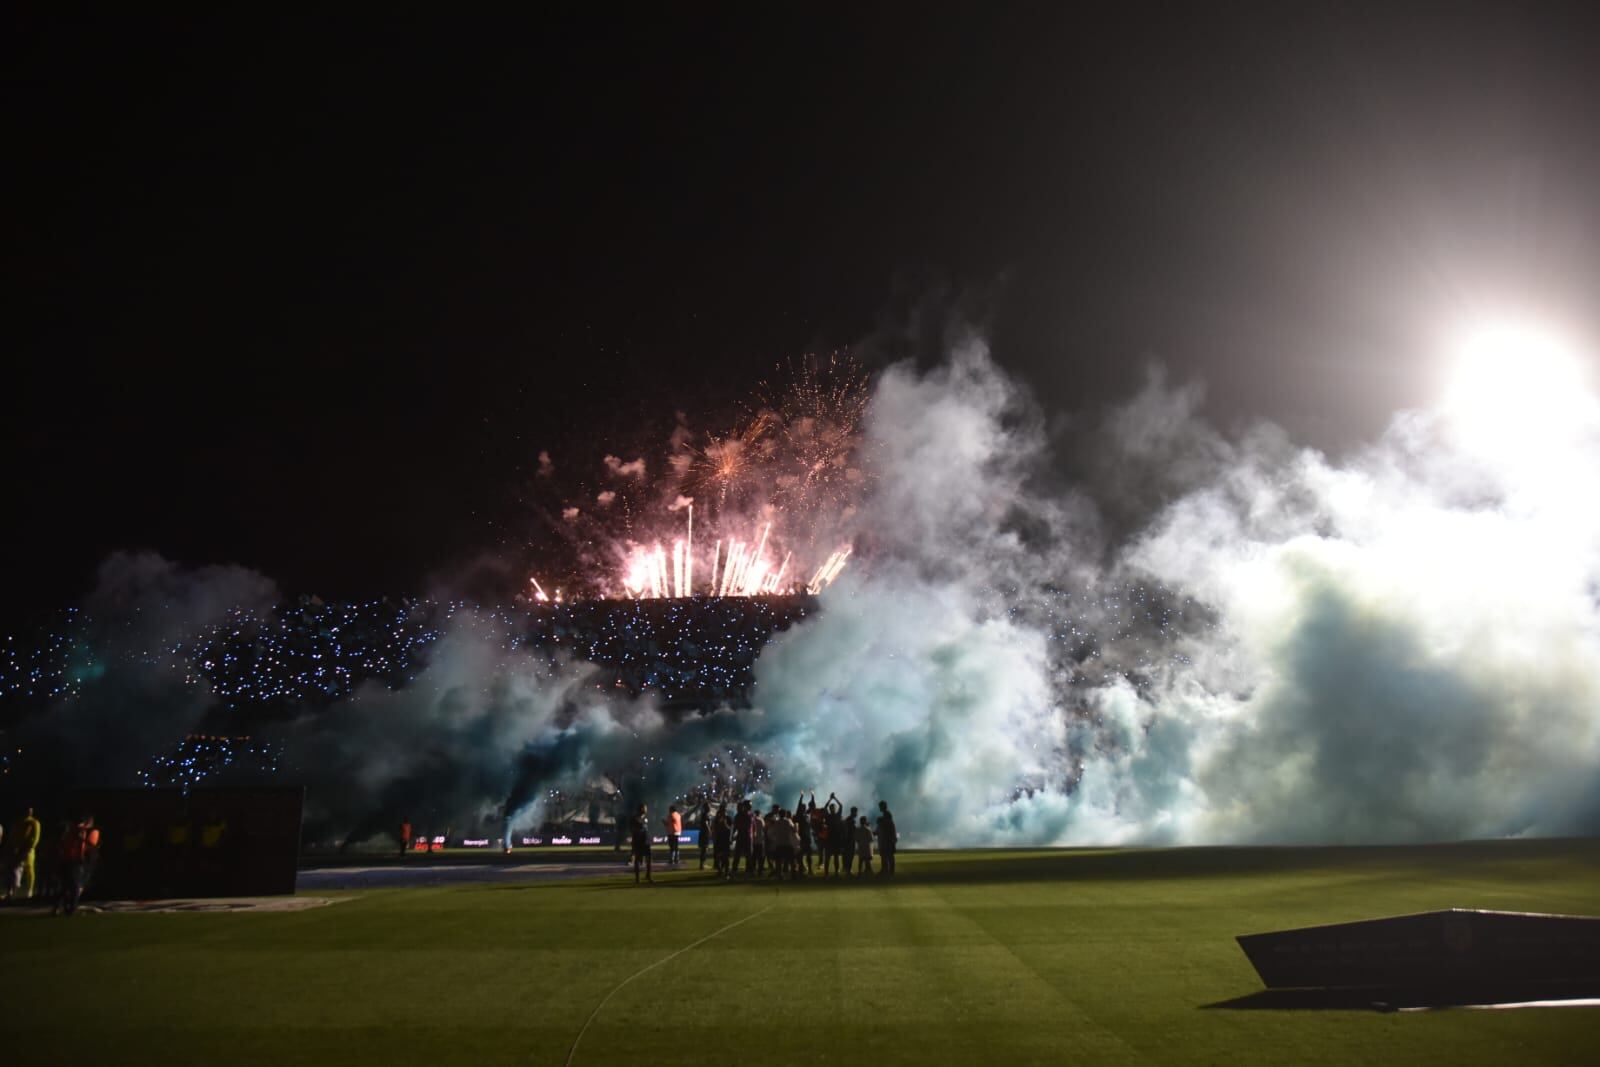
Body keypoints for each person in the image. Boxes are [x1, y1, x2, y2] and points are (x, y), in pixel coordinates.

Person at [12, 806, 40, 901]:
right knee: (17, 868)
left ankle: (29, 890)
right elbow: (15, 835)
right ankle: (15, 888)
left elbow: (36, 837)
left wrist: (31, 847)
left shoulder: (34, 822)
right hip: (19, 848)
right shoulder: (20, 822)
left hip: (28, 849)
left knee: (29, 869)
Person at [630, 804, 653, 884]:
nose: (646, 809)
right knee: (637, 860)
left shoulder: (646, 818)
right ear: (641, 809)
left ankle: (648, 875)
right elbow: (633, 829)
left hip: (646, 841)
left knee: (649, 859)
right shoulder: (634, 818)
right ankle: (637, 878)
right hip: (638, 841)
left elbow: (646, 829)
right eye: (645, 808)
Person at [876, 801, 897, 877]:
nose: (879, 808)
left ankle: (888, 870)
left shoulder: (887, 815)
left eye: (880, 806)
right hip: (887, 839)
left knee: (888, 855)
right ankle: (886, 870)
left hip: (887, 839)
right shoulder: (886, 815)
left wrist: (880, 821)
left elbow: (887, 825)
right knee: (886, 855)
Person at [841, 806, 860, 876]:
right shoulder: (850, 820)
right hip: (849, 840)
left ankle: (846, 868)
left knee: (848, 855)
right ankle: (848, 870)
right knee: (850, 855)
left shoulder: (849, 820)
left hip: (849, 840)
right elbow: (848, 831)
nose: (857, 813)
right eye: (856, 812)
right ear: (853, 812)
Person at [696, 801, 712, 870]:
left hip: (704, 833)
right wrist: (709, 830)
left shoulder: (705, 814)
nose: (710, 807)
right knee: (704, 849)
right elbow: (706, 823)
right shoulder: (705, 814)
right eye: (709, 806)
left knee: (705, 849)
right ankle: (702, 865)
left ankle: (702, 864)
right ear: (706, 807)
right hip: (704, 834)